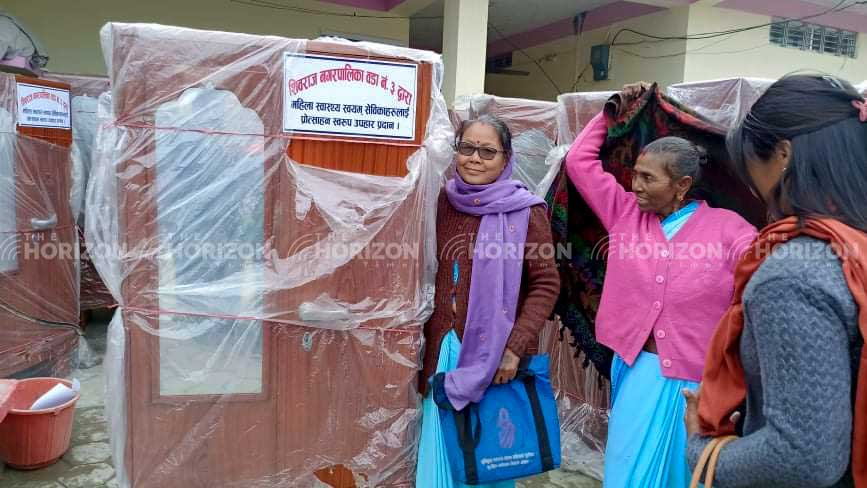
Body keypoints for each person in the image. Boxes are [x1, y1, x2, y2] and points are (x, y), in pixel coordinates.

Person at [564, 83, 757, 487]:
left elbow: (762, 276)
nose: (634, 185)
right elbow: (579, 163)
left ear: (682, 185)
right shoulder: (624, 215)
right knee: (626, 471)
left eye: (647, 178)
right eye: (634, 174)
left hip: (697, 381)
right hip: (636, 370)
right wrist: (610, 114)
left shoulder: (729, 230)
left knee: (684, 475)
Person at [684, 75, 867, 488]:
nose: (753, 188)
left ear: (783, 155)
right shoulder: (856, 245)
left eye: (751, 167)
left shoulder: (792, 275)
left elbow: (802, 456)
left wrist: (700, 448)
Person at [416, 114, 560, 488]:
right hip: (442, 351)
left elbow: (545, 284)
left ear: (505, 157)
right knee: (439, 459)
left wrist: (513, 350)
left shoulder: (526, 211)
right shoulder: (440, 201)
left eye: (487, 151)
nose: (474, 159)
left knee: (485, 461)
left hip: (492, 356)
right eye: (466, 148)